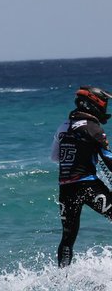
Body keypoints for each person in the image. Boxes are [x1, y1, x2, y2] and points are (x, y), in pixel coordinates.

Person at [51, 85, 112, 267]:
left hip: (66, 189)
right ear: (94, 104)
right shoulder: (94, 129)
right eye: (104, 103)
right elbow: (109, 160)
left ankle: (61, 278)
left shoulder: (64, 126)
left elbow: (55, 157)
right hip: (88, 187)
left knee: (68, 238)